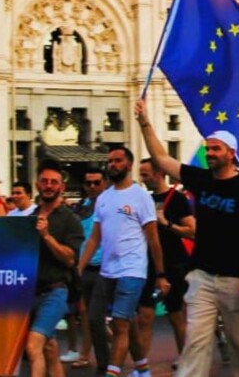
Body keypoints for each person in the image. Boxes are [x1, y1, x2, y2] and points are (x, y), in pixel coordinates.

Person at [135, 101, 239, 377]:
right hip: (202, 275)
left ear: (231, 153)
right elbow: (161, 159)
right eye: (207, 149)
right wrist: (144, 122)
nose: (210, 153)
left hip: (236, 277)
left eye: (215, 149)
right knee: (196, 340)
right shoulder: (200, 178)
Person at [77, 147, 167, 377]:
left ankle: (112, 372)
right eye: (110, 161)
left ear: (128, 164)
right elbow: (94, 238)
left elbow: (153, 238)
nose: (113, 165)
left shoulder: (140, 197)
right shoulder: (104, 198)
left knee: (120, 323)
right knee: (101, 318)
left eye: (118, 161)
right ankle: (143, 368)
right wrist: (78, 267)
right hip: (107, 272)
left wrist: (160, 274)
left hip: (133, 270)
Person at [26, 160, 85, 377]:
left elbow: (70, 259)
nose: (49, 186)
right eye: (45, 181)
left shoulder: (71, 220)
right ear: (37, 184)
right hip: (30, 292)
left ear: (61, 187)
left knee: (34, 346)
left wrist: (47, 236)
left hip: (56, 292)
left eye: (54, 182)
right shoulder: (31, 217)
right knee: (50, 349)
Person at [139, 157, 194, 367]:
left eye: (146, 174)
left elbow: (192, 231)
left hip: (175, 264)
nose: (143, 180)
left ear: (159, 173)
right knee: (144, 315)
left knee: (176, 314)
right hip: (149, 263)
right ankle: (141, 365)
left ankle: (186, 360)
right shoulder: (145, 199)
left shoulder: (178, 199)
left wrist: (167, 223)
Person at [70, 165, 107, 370]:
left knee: (102, 315)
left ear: (104, 183)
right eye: (88, 183)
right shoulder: (80, 207)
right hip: (85, 265)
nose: (92, 186)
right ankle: (86, 353)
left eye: (96, 183)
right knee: (85, 312)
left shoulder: (110, 204)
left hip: (107, 266)